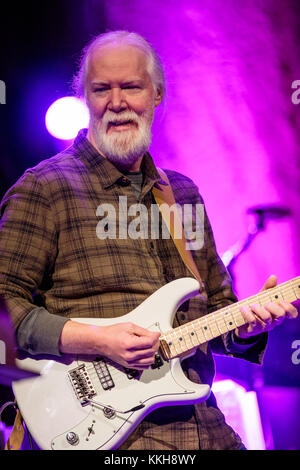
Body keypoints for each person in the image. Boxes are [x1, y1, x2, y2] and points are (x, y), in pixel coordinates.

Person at [0, 30, 297, 450]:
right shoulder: (44, 188)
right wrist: (98, 339)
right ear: (85, 98)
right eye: (101, 89)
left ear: (156, 94)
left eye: (131, 87)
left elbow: (216, 312)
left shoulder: (183, 193)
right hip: (114, 435)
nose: (117, 103)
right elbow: (4, 314)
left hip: (203, 423)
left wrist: (249, 324)